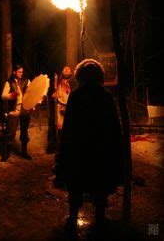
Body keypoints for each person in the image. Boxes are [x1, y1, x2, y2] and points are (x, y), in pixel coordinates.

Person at [57, 59, 124, 234]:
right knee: (99, 184)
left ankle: (73, 217)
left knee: (77, 184)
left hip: (80, 148)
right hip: (98, 149)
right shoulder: (105, 96)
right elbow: (114, 127)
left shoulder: (77, 95)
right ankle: (98, 217)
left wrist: (64, 151)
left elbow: (69, 126)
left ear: (81, 76)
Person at [1, 64, 32, 161]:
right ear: (14, 72)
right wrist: (14, 94)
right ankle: (6, 154)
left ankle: (24, 152)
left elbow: (32, 92)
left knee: (24, 131)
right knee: (10, 132)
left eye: (22, 72)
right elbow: (3, 96)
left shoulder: (26, 81)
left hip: (25, 109)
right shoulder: (9, 82)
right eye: (19, 72)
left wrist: (33, 102)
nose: (21, 74)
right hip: (14, 110)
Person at [52, 66, 72, 187]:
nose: (67, 71)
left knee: (66, 136)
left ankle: (65, 162)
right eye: (65, 69)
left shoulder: (69, 84)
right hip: (60, 110)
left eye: (69, 70)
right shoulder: (60, 83)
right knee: (60, 137)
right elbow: (58, 95)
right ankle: (59, 163)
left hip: (67, 110)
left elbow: (68, 97)